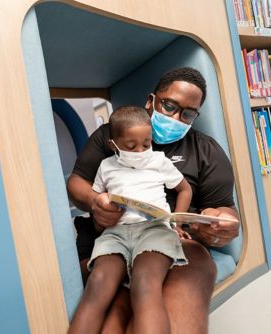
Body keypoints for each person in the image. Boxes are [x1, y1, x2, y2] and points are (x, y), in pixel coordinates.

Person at [67, 67, 240, 333]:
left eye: (188, 113)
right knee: (112, 308)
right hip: (111, 237)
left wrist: (224, 223)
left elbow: (223, 209)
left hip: (176, 242)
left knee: (157, 294)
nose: (176, 117)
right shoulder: (110, 135)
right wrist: (94, 201)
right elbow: (77, 182)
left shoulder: (205, 151)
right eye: (169, 106)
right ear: (152, 101)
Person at [68, 105, 192, 333]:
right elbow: (97, 200)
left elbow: (185, 190)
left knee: (144, 283)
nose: (140, 151)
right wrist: (102, 207)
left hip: (155, 230)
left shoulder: (159, 161)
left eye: (146, 144)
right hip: (116, 234)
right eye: (131, 146)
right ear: (113, 145)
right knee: (98, 284)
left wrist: (177, 223)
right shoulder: (106, 166)